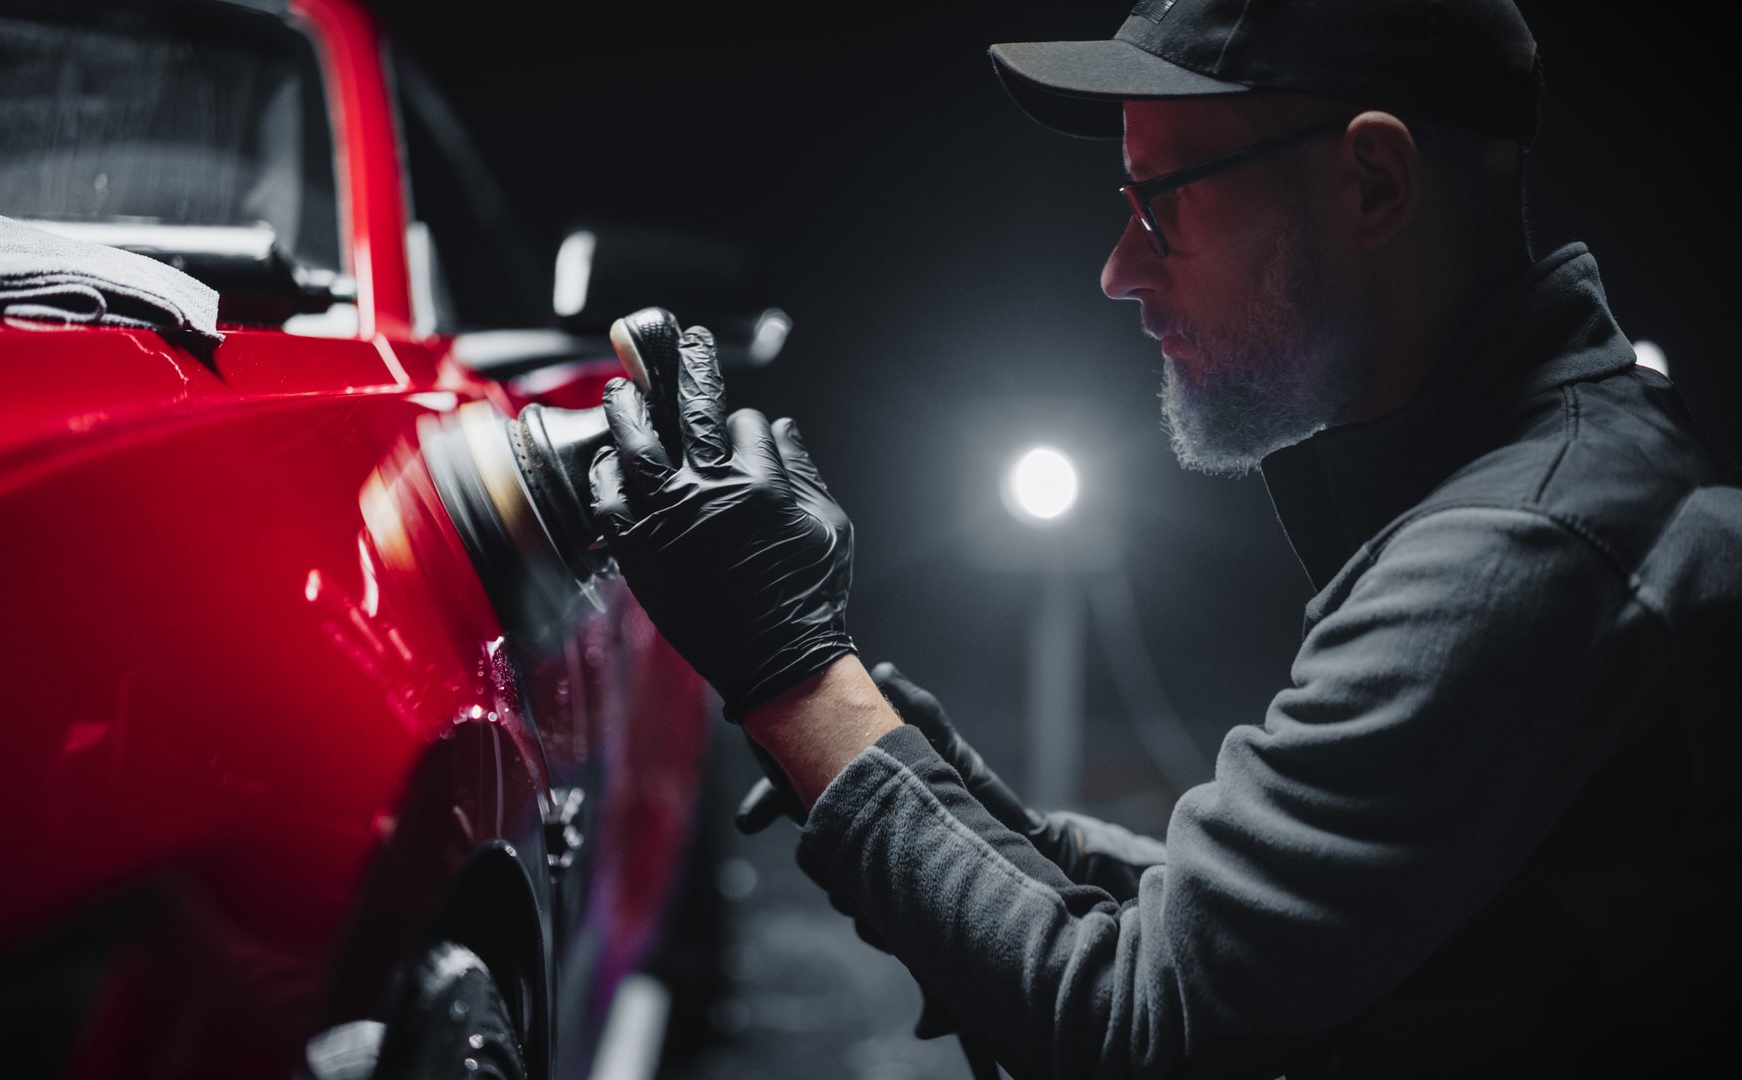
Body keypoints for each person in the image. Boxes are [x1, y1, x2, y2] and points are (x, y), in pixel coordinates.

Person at [586, 0, 1741, 1075]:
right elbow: (1322, 954)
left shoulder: (1523, 546)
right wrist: (957, 814)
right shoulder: (1550, 480)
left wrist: (792, 675)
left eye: (1160, 201)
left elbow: (1138, 1030)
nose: (1118, 269)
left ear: (1374, 181)